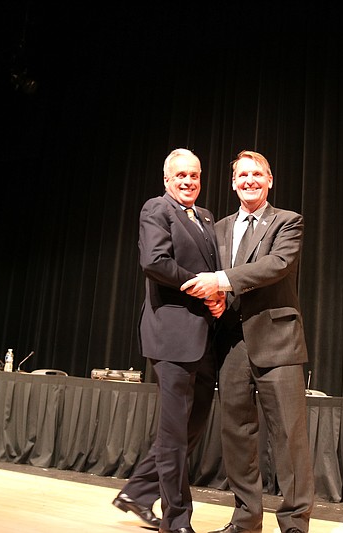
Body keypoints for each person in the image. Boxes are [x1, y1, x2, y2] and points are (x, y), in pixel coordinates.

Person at [181, 150, 314, 533]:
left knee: (289, 438)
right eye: (242, 175)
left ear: (269, 180)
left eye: (257, 174)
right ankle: (245, 520)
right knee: (237, 435)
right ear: (233, 182)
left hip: (278, 342)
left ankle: (293, 525)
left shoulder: (287, 222)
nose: (249, 180)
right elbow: (204, 275)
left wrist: (220, 281)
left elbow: (276, 265)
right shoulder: (218, 227)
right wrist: (213, 296)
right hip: (231, 343)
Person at [112, 148, 225, 533]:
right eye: (181, 176)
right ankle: (176, 521)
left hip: (206, 337)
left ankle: (138, 492)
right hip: (171, 337)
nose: (189, 181)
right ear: (167, 180)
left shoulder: (206, 217)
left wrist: (220, 293)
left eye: (194, 175)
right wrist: (204, 290)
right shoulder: (156, 209)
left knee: (191, 428)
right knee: (175, 433)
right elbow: (155, 262)